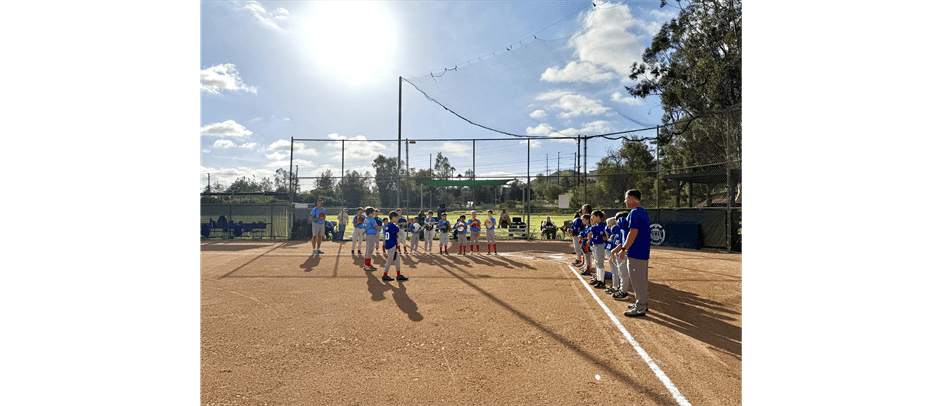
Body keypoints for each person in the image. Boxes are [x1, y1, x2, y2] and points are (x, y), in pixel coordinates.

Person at [618, 189, 652, 317]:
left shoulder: (635, 212)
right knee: (640, 280)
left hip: (636, 252)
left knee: (638, 280)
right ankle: (641, 303)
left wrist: (624, 249)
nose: (625, 201)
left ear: (632, 198)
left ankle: (640, 307)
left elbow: (632, 234)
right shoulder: (641, 211)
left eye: (626, 198)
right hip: (641, 251)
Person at [381, 211, 409, 282]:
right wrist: (398, 227)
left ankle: (398, 275)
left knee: (397, 259)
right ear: (393, 217)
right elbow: (398, 233)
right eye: (396, 218)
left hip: (390, 244)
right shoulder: (392, 225)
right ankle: (384, 275)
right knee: (390, 260)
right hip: (392, 244)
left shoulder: (388, 225)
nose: (397, 219)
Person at [610, 212, 631, 300]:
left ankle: (623, 292)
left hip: (626, 253)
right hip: (625, 252)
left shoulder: (626, 229)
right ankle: (622, 289)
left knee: (623, 273)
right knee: (622, 273)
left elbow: (623, 243)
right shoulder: (623, 229)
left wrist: (617, 251)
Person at [586, 210, 608, 289]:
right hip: (596, 245)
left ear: (598, 217)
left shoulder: (601, 225)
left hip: (600, 245)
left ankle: (601, 281)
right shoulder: (596, 225)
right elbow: (590, 234)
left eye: (593, 216)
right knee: (597, 263)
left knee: (599, 263)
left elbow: (604, 236)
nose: (591, 218)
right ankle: (598, 279)